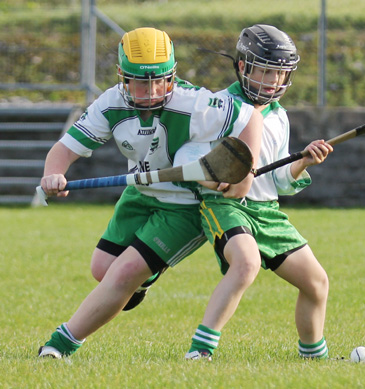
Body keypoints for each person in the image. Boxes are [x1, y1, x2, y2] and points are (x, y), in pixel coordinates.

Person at [38, 27, 262, 358]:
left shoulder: (195, 103)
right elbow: (65, 148)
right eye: (141, 81)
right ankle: (145, 273)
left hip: (183, 207)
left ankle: (59, 345)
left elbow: (250, 117)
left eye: (161, 80)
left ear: (172, 75)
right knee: (102, 270)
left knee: (124, 273)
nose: (152, 90)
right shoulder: (111, 103)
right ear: (121, 76)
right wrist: (53, 174)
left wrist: (247, 173)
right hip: (140, 193)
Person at [174, 24, 333, 361]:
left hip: (268, 212)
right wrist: (210, 178)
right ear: (244, 67)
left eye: (281, 74)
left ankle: (314, 358)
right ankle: (200, 352)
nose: (275, 82)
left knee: (317, 283)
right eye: (266, 71)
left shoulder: (279, 117)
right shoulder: (219, 106)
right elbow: (186, 156)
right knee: (246, 264)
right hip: (225, 205)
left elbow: (280, 182)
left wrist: (303, 162)